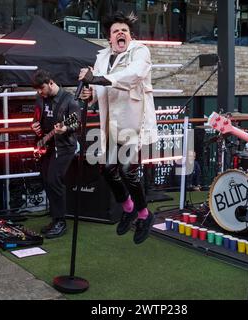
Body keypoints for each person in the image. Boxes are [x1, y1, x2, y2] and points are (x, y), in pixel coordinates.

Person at [78, 11, 158, 244]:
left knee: (127, 170)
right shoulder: (102, 58)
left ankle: (144, 215)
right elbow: (98, 88)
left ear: (130, 35)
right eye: (115, 31)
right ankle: (129, 207)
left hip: (134, 123)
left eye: (124, 30)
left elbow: (133, 75)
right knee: (106, 169)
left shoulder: (140, 51)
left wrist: (99, 80)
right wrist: (89, 92)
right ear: (110, 39)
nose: (120, 33)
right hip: (110, 125)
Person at [31, 69, 80, 239]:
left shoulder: (69, 99)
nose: (39, 92)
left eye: (41, 88)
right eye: (37, 90)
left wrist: (65, 127)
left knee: (54, 180)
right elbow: (36, 118)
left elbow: (77, 122)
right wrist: (34, 125)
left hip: (64, 146)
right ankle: (55, 218)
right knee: (46, 180)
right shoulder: (40, 98)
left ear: (50, 83)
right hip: (47, 145)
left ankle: (61, 222)